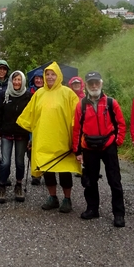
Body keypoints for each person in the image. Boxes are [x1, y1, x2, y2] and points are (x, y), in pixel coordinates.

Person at [17, 62, 81, 213]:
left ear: (59, 76)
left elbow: (77, 116)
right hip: (43, 139)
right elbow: (31, 115)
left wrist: (75, 139)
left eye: (53, 74)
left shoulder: (68, 93)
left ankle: (67, 199)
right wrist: (31, 138)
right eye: (47, 74)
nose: (50, 77)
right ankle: (53, 197)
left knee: (64, 170)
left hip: (62, 140)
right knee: (47, 169)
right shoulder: (39, 94)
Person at [73, 71, 127, 227]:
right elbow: (77, 129)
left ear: (101, 84)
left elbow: (121, 124)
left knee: (114, 180)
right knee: (90, 181)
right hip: (89, 147)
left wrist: (117, 141)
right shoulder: (81, 105)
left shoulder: (111, 103)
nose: (94, 86)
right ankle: (92, 209)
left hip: (108, 145)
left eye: (96, 82)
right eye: (91, 83)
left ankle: (118, 213)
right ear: (86, 85)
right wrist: (77, 150)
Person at [0, 70, 32, 203]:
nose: (16, 82)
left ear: (23, 81)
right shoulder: (4, 94)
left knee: (20, 162)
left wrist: (31, 136)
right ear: (11, 81)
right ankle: (2, 186)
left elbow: (31, 116)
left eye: (19, 80)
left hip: (22, 133)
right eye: (14, 79)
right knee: (5, 162)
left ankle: (19, 185)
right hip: (6, 132)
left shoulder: (28, 96)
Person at [27, 68, 45, 185]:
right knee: (32, 149)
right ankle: (35, 174)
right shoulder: (29, 92)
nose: (38, 80)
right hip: (32, 124)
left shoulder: (48, 92)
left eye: (40, 78)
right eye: (36, 78)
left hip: (45, 124)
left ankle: (45, 171)